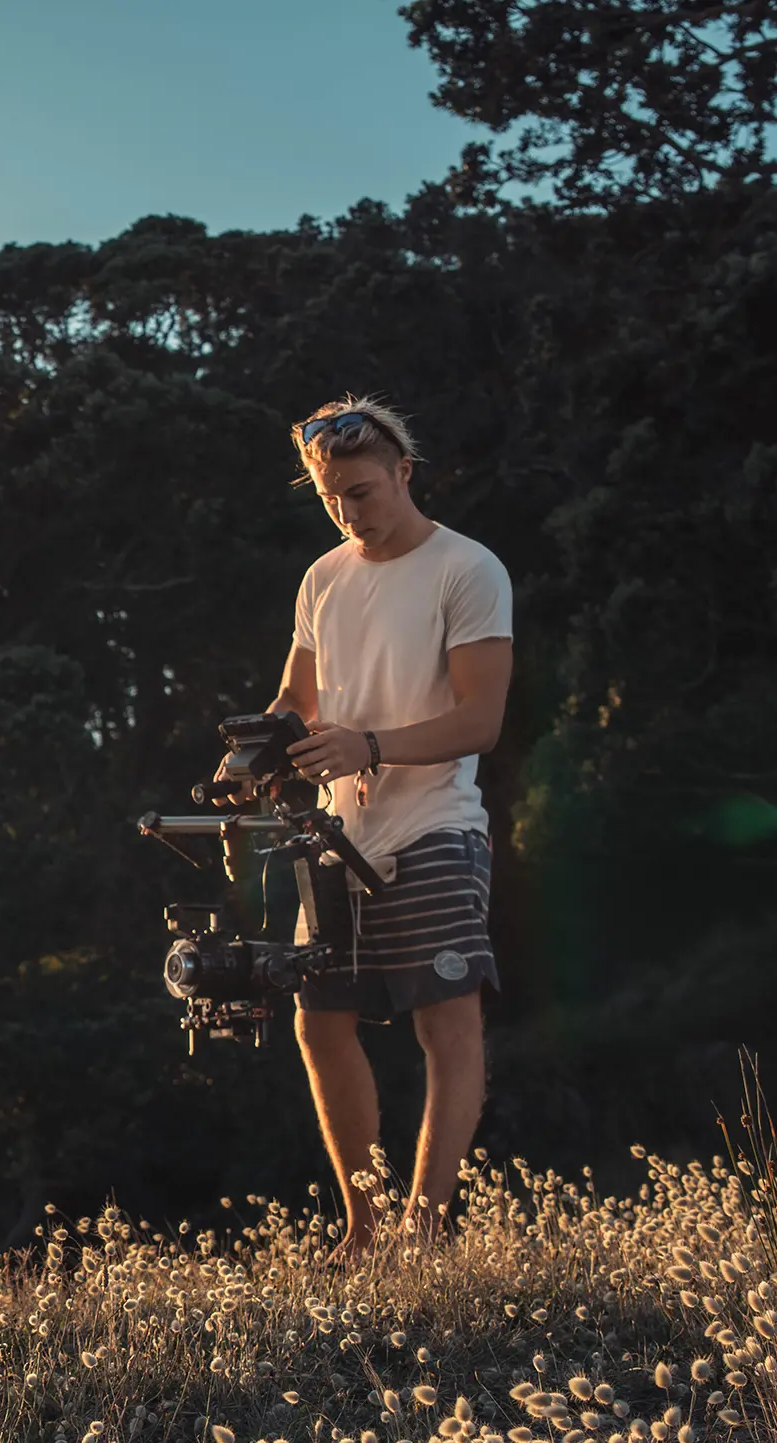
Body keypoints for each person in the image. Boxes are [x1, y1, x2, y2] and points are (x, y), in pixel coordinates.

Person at [267, 397, 512, 1260]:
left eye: (363, 492)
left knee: (447, 1021)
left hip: (438, 825)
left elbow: (481, 721)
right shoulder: (323, 577)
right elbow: (297, 704)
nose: (349, 512)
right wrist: (250, 755)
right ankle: (364, 1233)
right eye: (332, 497)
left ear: (405, 472)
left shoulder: (467, 569)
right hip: (339, 836)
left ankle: (427, 1230)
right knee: (319, 1021)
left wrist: (369, 744)